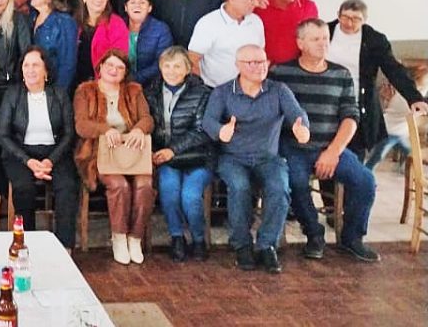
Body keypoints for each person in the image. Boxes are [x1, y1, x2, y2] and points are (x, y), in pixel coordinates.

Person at [270, 19, 379, 262]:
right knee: (295, 182)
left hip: (332, 147)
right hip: (293, 148)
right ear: (300, 43)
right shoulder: (280, 73)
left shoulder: (341, 74)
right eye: (315, 39)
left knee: (366, 181)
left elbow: (351, 117)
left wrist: (333, 151)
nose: (323, 44)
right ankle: (314, 234)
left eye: (325, 39)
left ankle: (352, 238)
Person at [202, 44, 310, 273]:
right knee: (239, 187)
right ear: (238, 65)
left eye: (262, 62)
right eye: (251, 62)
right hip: (233, 157)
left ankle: (267, 245)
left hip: (268, 157)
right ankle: (241, 245)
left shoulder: (279, 90)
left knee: (279, 186)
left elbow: (298, 116)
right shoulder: (223, 92)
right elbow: (208, 121)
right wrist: (221, 131)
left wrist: (302, 130)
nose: (258, 67)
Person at [74, 49, 155, 265]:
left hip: (132, 153)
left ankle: (135, 237)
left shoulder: (134, 90)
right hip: (100, 154)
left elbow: (148, 119)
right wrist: (104, 129)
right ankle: (119, 237)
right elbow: (81, 125)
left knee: (145, 185)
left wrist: (138, 129)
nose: (114, 70)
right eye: (109, 65)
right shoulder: (85, 91)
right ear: (100, 67)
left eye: (120, 67)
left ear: (125, 72)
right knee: (119, 185)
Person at [0, 46, 78, 249]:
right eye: (26, 65)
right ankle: (27, 243)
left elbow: (69, 133)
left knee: (67, 187)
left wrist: (50, 160)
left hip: (55, 153)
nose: (30, 70)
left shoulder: (59, 94)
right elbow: (3, 135)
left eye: (36, 65)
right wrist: (28, 161)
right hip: (20, 153)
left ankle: (64, 247)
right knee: (24, 189)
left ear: (46, 70)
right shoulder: (13, 94)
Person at [327, 0, 428, 158]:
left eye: (356, 19)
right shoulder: (325, 31)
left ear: (364, 20)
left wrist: (414, 98)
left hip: (358, 103)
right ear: (338, 15)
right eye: (345, 17)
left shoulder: (374, 39)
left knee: (354, 155)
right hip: (327, 101)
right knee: (326, 151)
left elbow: (393, 69)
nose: (349, 23)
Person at [144, 47, 213, 262]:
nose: (171, 71)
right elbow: (148, 125)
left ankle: (199, 239)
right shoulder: (151, 92)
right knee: (170, 192)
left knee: (190, 197)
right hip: (166, 159)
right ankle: (177, 237)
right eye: (167, 66)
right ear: (160, 68)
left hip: (197, 157)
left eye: (177, 66)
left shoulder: (203, 93)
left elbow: (202, 131)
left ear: (188, 69)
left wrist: (172, 150)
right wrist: (153, 150)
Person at [188, 0, 266, 87]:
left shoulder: (256, 21)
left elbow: (260, 54)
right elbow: (192, 59)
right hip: (214, 89)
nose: (255, 3)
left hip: (249, 88)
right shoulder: (208, 23)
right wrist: (199, 88)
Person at [254, 0, 319, 65]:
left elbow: (314, 41)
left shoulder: (308, 7)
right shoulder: (256, 4)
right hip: (263, 69)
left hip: (296, 70)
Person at [27, 0, 78, 93]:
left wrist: (57, 95)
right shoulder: (32, 16)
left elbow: (68, 65)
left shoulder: (65, 22)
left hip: (54, 89)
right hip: (34, 86)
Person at [74, 0, 129, 87]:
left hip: (104, 85)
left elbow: (119, 58)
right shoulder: (75, 23)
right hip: (76, 83)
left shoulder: (116, 24)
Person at [124, 0, 173, 88]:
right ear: (126, 7)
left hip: (151, 85)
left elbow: (161, 62)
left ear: (149, 8)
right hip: (118, 82)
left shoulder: (161, 29)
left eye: (142, 3)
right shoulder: (117, 26)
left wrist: (133, 79)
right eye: (132, 2)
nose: (137, 6)